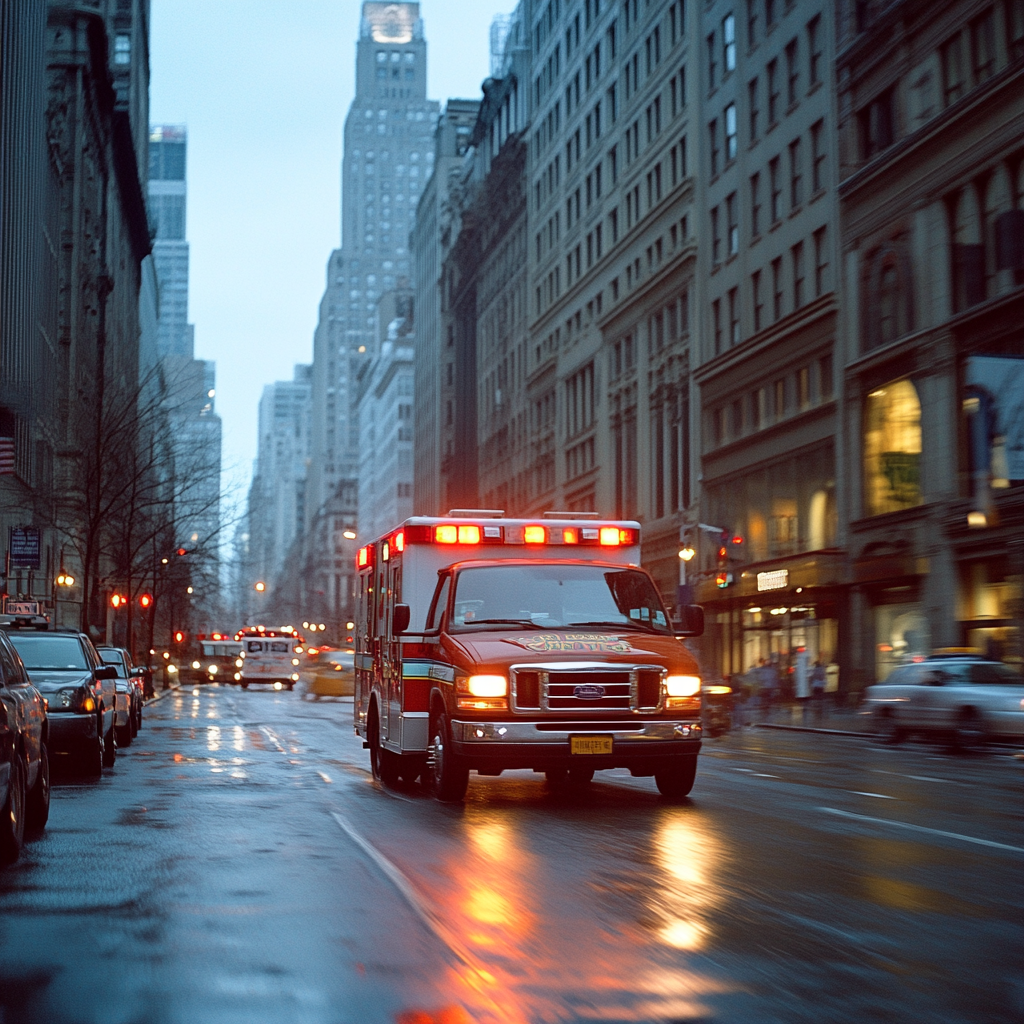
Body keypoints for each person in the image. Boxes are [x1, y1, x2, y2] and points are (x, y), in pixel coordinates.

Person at [794, 649, 810, 723]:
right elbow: (809, 674)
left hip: (802, 687)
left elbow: (796, 675)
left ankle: (804, 707)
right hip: (804, 687)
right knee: (805, 698)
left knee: (803, 698)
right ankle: (805, 708)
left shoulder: (798, 665)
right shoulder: (805, 666)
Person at [811, 658, 826, 723]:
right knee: (820, 697)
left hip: (815, 684)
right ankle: (820, 707)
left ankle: (817, 707)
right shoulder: (822, 670)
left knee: (816, 696)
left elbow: (813, 676)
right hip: (821, 685)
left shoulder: (815, 670)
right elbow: (823, 677)